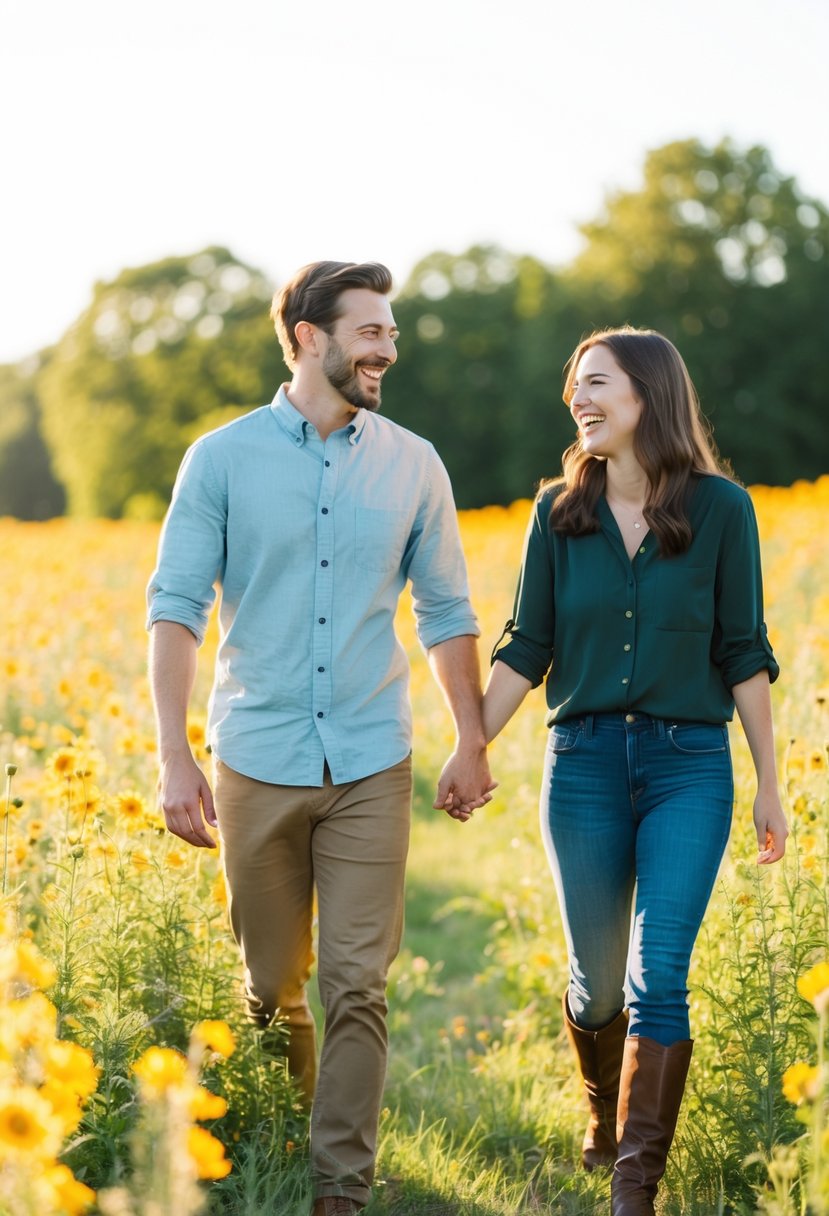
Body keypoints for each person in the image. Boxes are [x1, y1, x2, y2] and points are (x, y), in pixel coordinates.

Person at [146, 260, 494, 1216]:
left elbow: (446, 609)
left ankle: (339, 1188)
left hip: (372, 756)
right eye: (368, 331)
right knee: (272, 989)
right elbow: (174, 609)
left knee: (356, 982)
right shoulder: (219, 458)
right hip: (253, 753)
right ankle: (285, 1123)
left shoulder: (413, 462)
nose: (386, 348)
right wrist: (175, 756)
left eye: (389, 332)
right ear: (307, 336)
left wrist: (471, 738)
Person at [473, 327, 788, 1215]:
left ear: (647, 394)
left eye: (597, 382)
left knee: (660, 971)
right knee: (597, 979)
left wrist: (770, 781)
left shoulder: (723, 510)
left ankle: (632, 1185)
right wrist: (472, 747)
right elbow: (527, 643)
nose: (578, 397)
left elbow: (744, 650)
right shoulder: (555, 512)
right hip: (581, 769)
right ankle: (601, 1114)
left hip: (689, 765)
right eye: (574, 385)